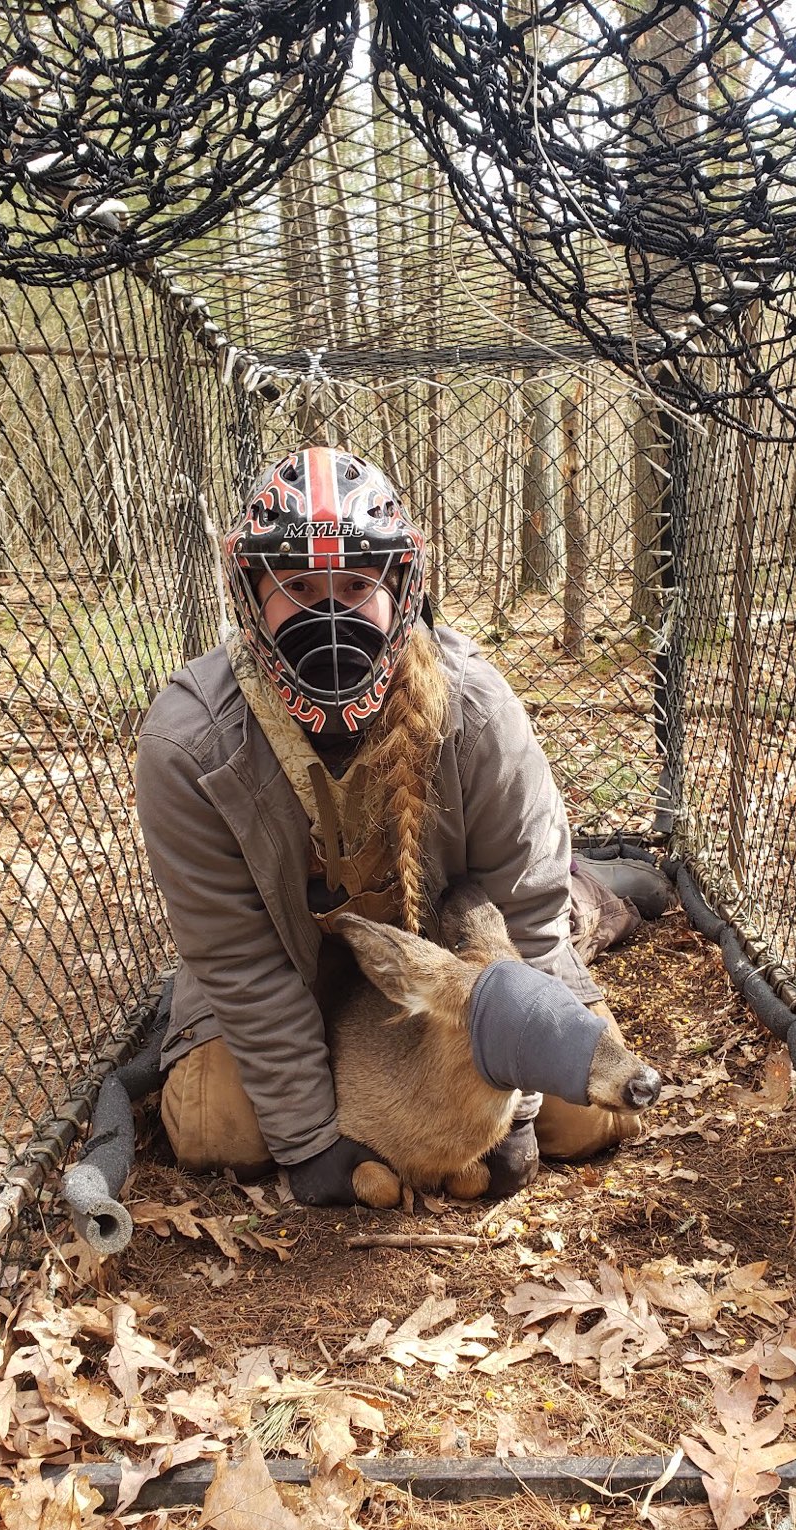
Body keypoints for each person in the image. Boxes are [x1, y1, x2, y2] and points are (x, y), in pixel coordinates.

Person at [135, 445, 644, 1205]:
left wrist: (520, 1111)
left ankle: (600, 894)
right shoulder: (187, 744)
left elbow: (523, 918)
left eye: (355, 585)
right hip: (296, 972)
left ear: (401, 588)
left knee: (583, 1121)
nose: (329, 616)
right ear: (251, 596)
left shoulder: (476, 710)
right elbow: (240, 963)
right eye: (299, 587)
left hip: (461, 962)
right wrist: (308, 1142)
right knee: (223, 1128)